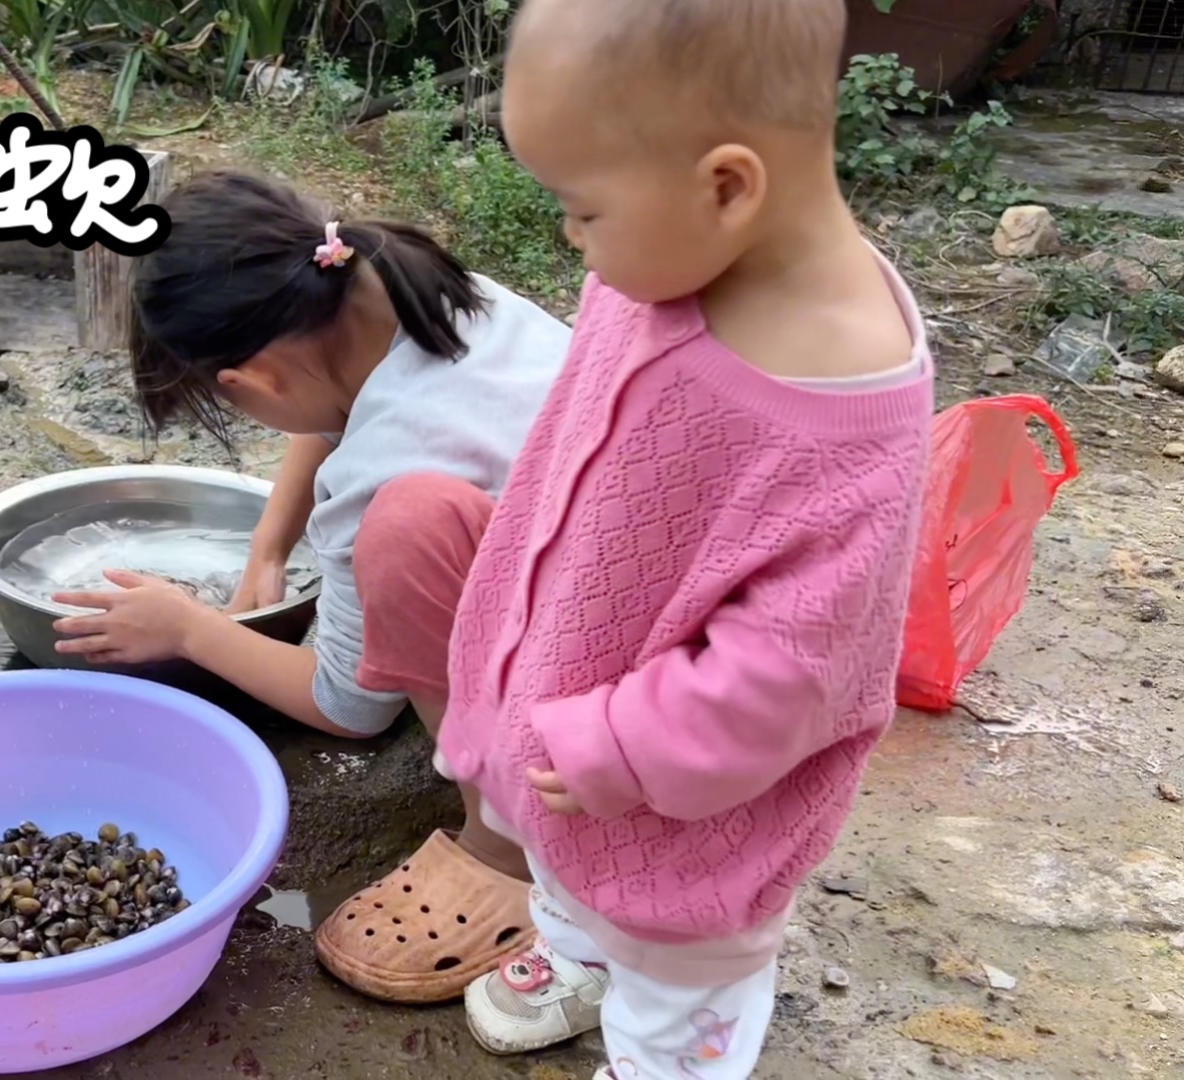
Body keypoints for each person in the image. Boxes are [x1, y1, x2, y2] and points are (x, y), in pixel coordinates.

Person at [434, 1, 938, 1077]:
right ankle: (575, 953)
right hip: (571, 700)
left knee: (674, 996)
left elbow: (793, 672)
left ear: (726, 183)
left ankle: (655, 1048)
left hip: (681, 803)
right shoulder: (669, 259)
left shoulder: (835, 406)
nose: (570, 239)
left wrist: (626, 744)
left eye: (580, 209)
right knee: (564, 868)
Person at [47, 170, 571, 1003]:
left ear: (251, 383)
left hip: (597, 703)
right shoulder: (428, 290)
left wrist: (188, 628)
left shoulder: (385, 473)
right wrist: (268, 548)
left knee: (407, 531)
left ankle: (509, 843)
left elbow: (348, 708)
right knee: (407, 518)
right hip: (654, 602)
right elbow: (340, 405)